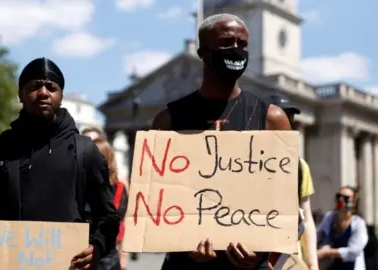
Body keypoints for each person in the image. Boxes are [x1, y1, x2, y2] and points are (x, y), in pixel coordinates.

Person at [154, 13, 291, 269]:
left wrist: (263, 252)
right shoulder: (168, 121)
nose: (237, 50)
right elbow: (157, 201)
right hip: (186, 263)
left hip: (248, 263)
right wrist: (183, 241)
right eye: (227, 43)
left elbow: (284, 200)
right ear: (203, 52)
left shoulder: (273, 119)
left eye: (243, 44)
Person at [0, 57, 120, 269]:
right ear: (21, 94)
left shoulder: (85, 151)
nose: (43, 92)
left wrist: (97, 247)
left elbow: (108, 216)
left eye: (51, 87)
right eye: (35, 86)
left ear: (60, 96)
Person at [268, 94, 318, 270]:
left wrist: (313, 263)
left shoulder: (299, 166)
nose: (286, 125)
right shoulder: (241, 163)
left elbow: (306, 217)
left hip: (288, 259)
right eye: (280, 118)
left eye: (290, 120)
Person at [92, 138, 129, 270]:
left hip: (108, 257)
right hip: (93, 255)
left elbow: (125, 224)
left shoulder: (120, 187)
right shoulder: (83, 185)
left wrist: (123, 257)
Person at [317, 186, 368, 270]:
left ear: (354, 202)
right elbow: (318, 235)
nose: (341, 200)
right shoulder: (330, 217)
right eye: (338, 197)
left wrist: (327, 252)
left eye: (346, 198)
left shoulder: (358, 224)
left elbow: (353, 251)